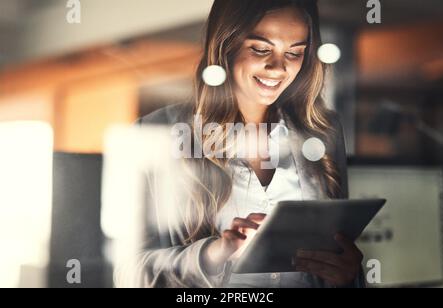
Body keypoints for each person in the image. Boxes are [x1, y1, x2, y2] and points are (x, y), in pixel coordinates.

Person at [130, 0, 364, 288]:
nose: (278, 68)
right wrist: (216, 254)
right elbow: (131, 273)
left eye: (294, 52)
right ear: (225, 45)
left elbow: (337, 258)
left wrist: (348, 275)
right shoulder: (160, 133)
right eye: (261, 49)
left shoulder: (323, 132)